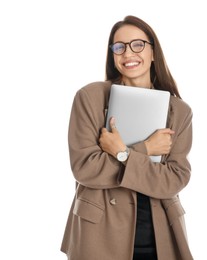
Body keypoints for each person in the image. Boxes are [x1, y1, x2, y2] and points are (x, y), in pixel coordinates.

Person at [61, 15, 193, 260]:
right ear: (113, 54)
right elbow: (85, 169)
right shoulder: (89, 97)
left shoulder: (179, 111)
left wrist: (121, 152)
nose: (128, 53)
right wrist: (144, 149)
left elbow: (175, 180)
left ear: (154, 52)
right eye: (119, 47)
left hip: (161, 235)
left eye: (138, 44)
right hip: (100, 236)